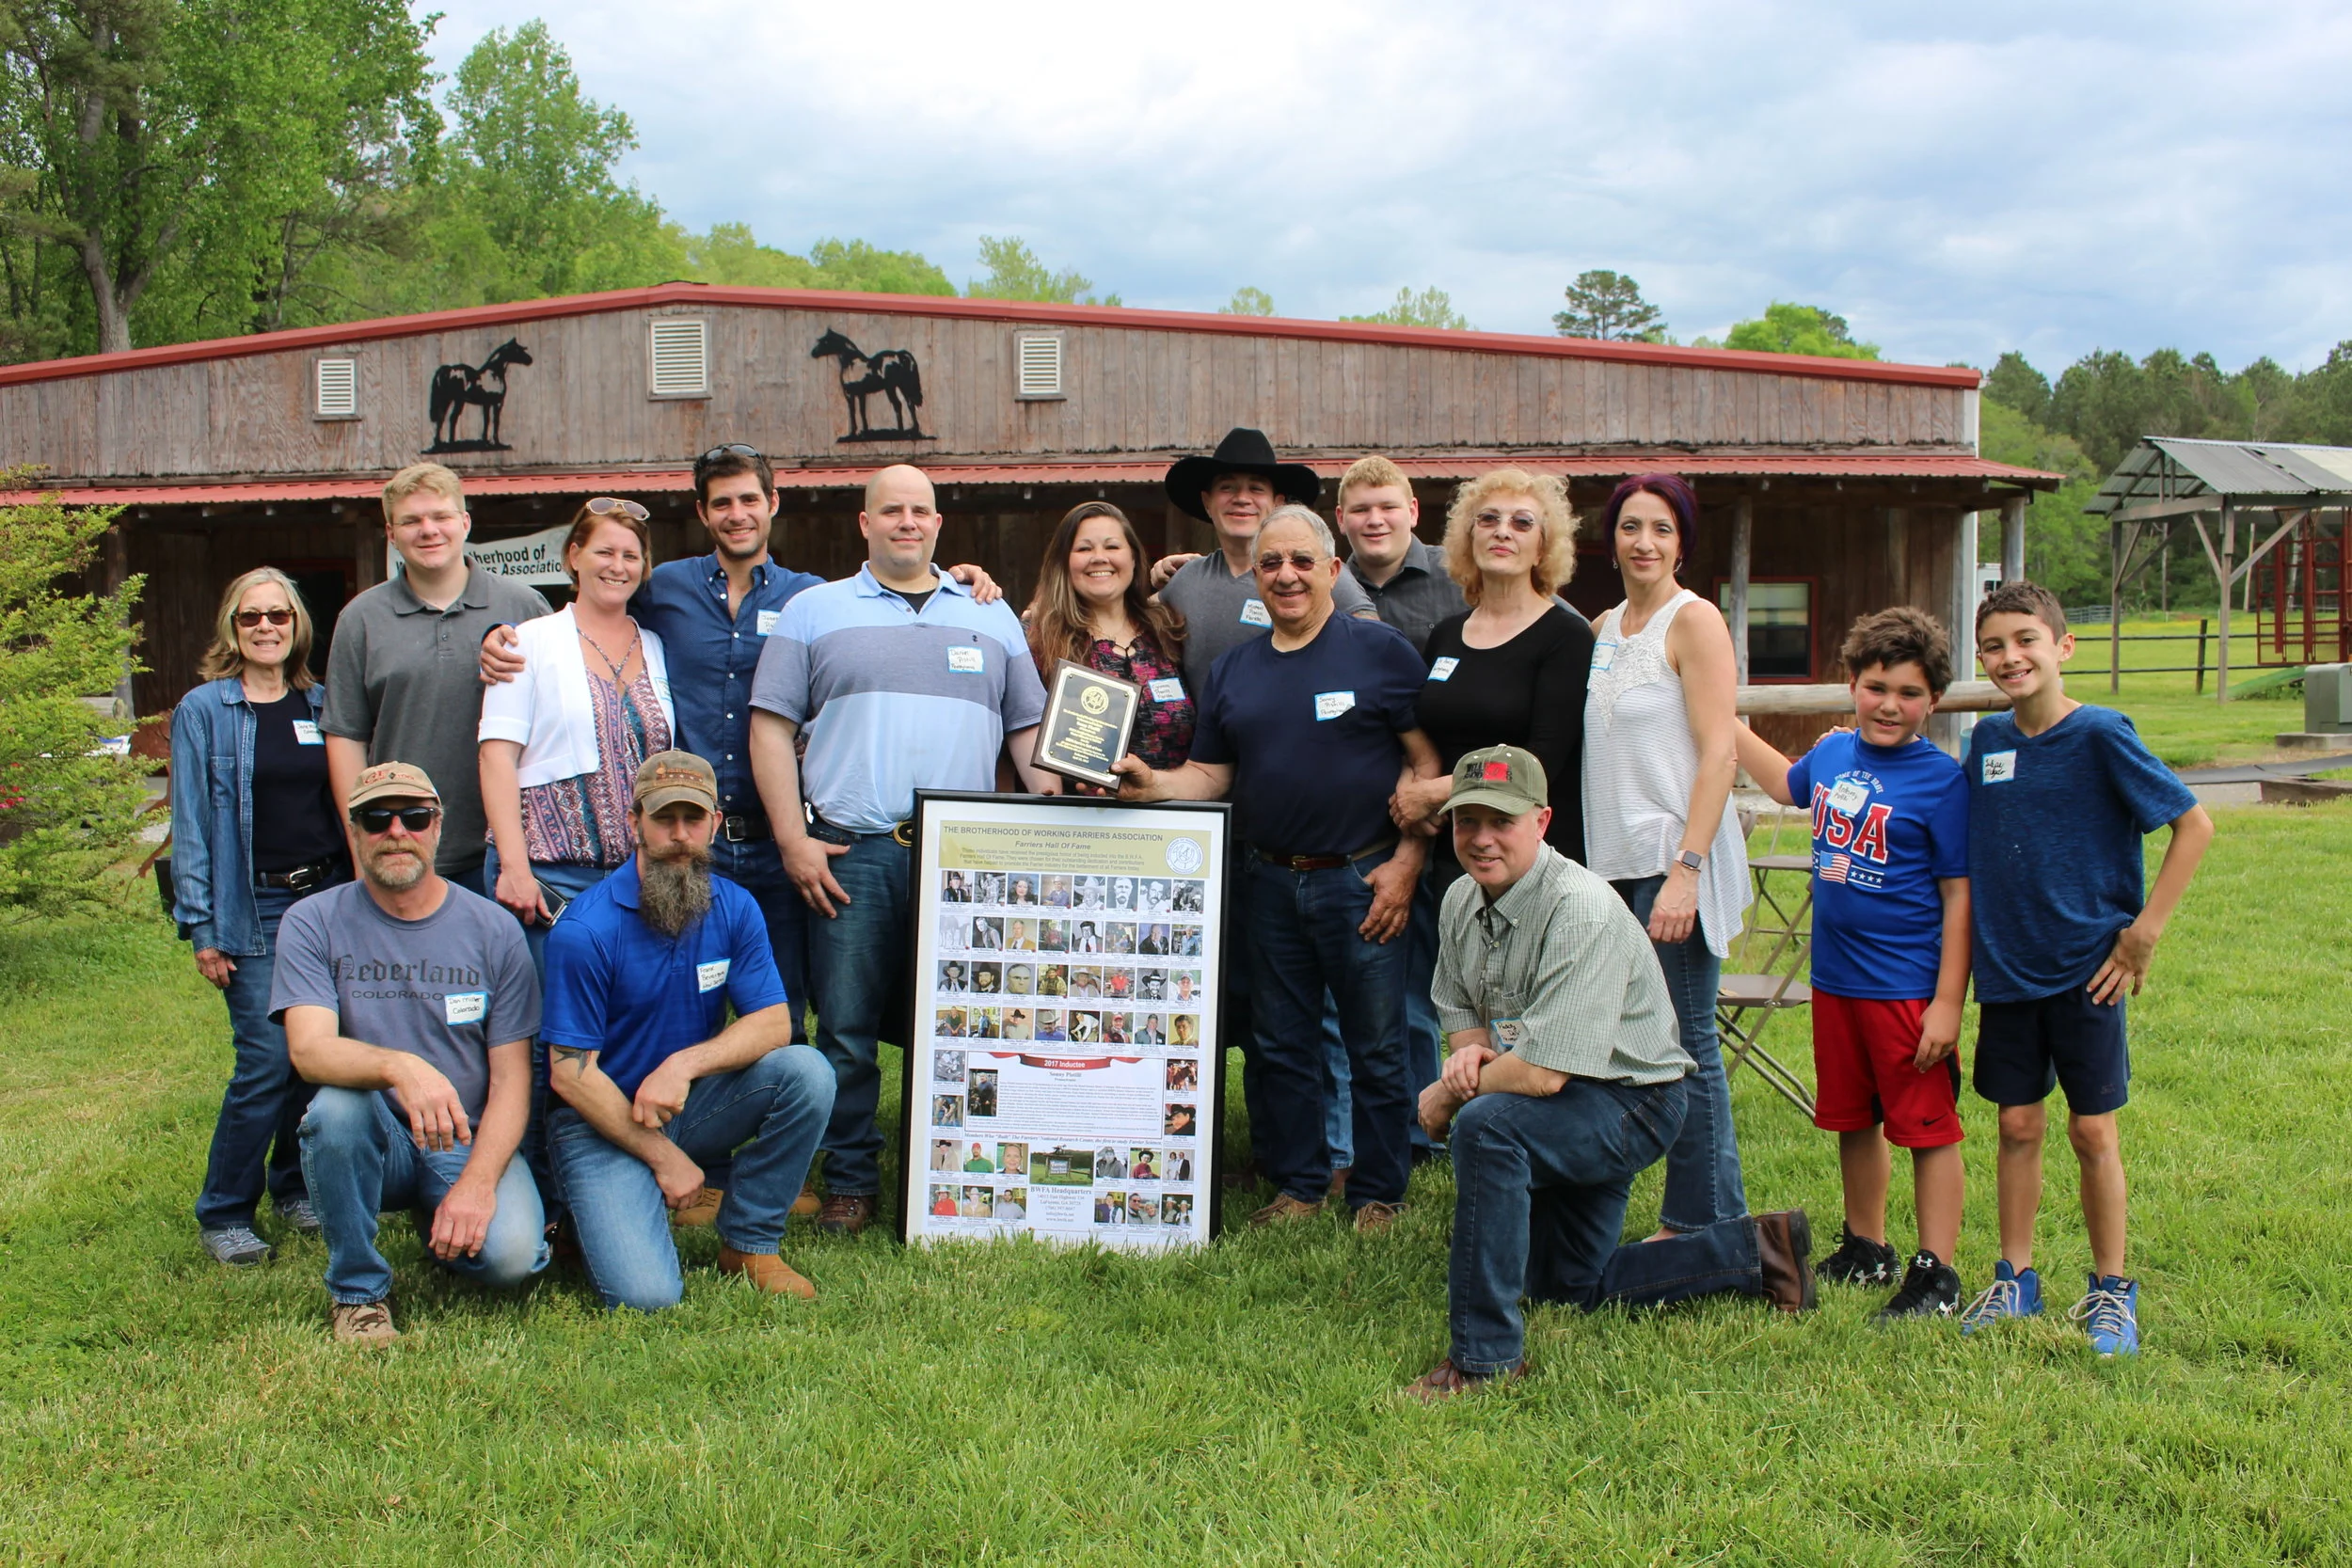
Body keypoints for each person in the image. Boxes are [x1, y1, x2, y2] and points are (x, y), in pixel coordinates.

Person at [1406, 746, 1815, 1401]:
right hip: (1564, 1093)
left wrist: (1446, 1095)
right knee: (1566, 1285)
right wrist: (1464, 1066)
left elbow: (1541, 1075)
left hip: (1632, 1101)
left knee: (1488, 1127)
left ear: (1542, 821)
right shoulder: (1459, 899)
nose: (1481, 839)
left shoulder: (1580, 908)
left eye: (1501, 821)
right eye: (1466, 821)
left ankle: (1484, 1359)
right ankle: (1757, 1251)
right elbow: (1465, 1028)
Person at [750, 465, 1057, 1236]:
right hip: (852, 851)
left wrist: (1059, 817)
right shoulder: (812, 611)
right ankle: (851, 1179)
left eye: (921, 510)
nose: (907, 522)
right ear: (865, 523)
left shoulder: (989, 614)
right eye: (891, 510)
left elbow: (1027, 728)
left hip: (970, 859)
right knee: (847, 1030)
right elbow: (770, 727)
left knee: (971, 1021)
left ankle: (962, 1174)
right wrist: (793, 840)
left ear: (939, 523)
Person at [1120, 505, 1439, 1232]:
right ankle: (1300, 1184)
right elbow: (1210, 774)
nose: (1286, 575)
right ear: (1256, 578)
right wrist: (1154, 783)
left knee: (1375, 1045)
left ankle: (1378, 1191)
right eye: (1271, 563)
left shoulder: (1379, 651)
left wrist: (1407, 863)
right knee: (1282, 1043)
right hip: (1267, 880)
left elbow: (1426, 766)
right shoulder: (1234, 669)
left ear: (1333, 570)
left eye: (1301, 561)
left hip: (1362, 878)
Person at [1953, 582, 2212, 1355]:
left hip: (2088, 970)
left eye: (2026, 639)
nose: (2010, 656)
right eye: (1994, 645)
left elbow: (2193, 825)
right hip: (2008, 968)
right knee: (2016, 1124)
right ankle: (2015, 1277)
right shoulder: (1986, 741)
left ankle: (2111, 1289)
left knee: (2092, 1129)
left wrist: (2143, 934)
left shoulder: (2101, 733)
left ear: (2063, 646)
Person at [1734, 609, 1974, 1319]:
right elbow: (1787, 784)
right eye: (1876, 687)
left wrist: (1948, 1003)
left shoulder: (1942, 781)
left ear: (1934, 700)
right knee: (1854, 1118)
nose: (1889, 705)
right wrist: (1720, 715)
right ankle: (1868, 1247)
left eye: (1908, 692)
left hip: (1905, 987)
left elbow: (1959, 898)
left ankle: (1936, 1272)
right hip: (1836, 981)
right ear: (1852, 685)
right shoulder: (1834, 755)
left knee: (1926, 1128)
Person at [541, 752, 835, 1309]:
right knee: (647, 1296)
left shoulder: (735, 906)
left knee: (806, 1072)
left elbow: (774, 1023)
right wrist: (664, 1158)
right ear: (635, 822)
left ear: (715, 824)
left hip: (685, 1102)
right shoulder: (585, 929)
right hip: (598, 1121)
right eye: (664, 819)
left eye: (693, 819)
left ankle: (749, 1243)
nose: (679, 835)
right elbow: (569, 1076)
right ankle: (587, 1214)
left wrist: (683, 1065)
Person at [276, 763, 547, 1343]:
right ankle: (358, 1293)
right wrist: (399, 1066)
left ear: (438, 826)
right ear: (354, 831)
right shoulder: (312, 921)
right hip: (376, 1135)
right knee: (334, 1112)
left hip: (465, 1138)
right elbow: (309, 1050)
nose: (396, 831)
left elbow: (513, 1082)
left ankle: (442, 1211)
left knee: (512, 1259)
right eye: (377, 818)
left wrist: (476, 1186)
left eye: (414, 817)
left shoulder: (494, 929)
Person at [1377, 467, 1597, 1179]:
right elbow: (1426, 734)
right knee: (1455, 1000)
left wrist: (1435, 793)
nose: (1503, 532)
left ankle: (1526, 1146)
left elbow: (1541, 758)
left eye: (1522, 522)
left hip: (1525, 856)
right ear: (1466, 536)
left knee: (1523, 1006)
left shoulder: (1564, 636)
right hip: (1452, 852)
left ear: (1545, 544)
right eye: (1489, 519)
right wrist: (1419, 787)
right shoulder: (1447, 633)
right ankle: (1450, 1131)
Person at [1583, 474, 1751, 1237]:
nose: (1644, 542)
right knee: (1640, 1042)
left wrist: (1687, 869)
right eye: (1630, 526)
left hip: (1672, 860)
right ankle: (1694, 1211)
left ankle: (1703, 1220)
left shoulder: (1695, 621)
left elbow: (1720, 751)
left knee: (1687, 1043)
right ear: (1610, 538)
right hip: (1613, 866)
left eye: (1661, 528)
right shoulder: (1604, 628)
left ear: (1683, 542)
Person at [171, 568, 351, 1267]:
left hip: (326, 899)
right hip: (255, 906)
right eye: (252, 617)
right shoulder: (206, 710)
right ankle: (224, 1211)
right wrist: (202, 925)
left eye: (279, 615)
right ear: (233, 627)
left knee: (315, 1056)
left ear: (297, 625)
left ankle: (293, 1185)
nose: (267, 627)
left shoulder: (322, 702)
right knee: (267, 1059)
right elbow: (191, 821)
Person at [325, 464, 551, 895]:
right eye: (411, 520)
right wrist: (362, 855)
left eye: (441, 516)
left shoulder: (524, 607)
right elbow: (346, 738)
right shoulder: (361, 619)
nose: (428, 530)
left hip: (509, 854)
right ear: (391, 534)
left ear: (464, 523)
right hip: (401, 847)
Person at [479, 499, 675, 971]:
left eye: (630, 556)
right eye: (604, 552)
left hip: (637, 878)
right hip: (549, 878)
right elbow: (496, 757)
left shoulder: (655, 645)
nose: (617, 566)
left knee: (629, 1010)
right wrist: (514, 868)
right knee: (553, 1012)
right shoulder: (527, 641)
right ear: (574, 555)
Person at [1152, 428, 1377, 696]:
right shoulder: (1185, 579)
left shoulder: (1312, 571)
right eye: (1227, 487)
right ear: (1207, 502)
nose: (1241, 498)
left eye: (1256, 488)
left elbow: (1372, 636)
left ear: (1277, 504)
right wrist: (1150, 578)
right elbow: (1128, 620)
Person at [1025, 499, 1197, 791]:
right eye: (1084, 549)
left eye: (1112, 546)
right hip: (1078, 813)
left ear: (1134, 558)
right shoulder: (1036, 640)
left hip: (1172, 811)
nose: (1099, 558)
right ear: (1063, 562)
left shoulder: (1170, 630)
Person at [1334, 454, 1468, 659]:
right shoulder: (1325, 588)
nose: (1375, 520)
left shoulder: (1460, 575)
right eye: (1360, 510)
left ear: (1413, 512)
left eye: (1388, 507)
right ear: (1341, 519)